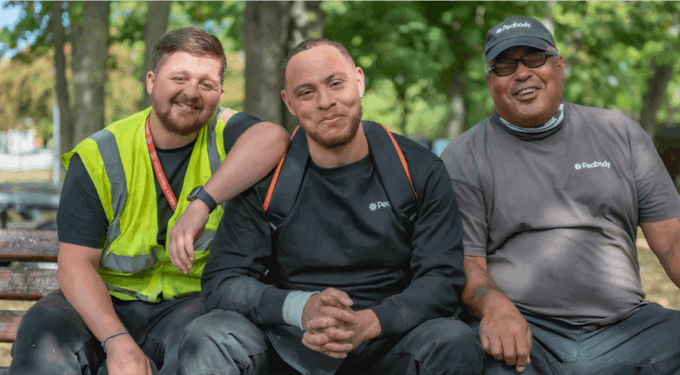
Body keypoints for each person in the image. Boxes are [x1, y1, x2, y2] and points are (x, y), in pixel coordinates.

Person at [178, 38, 485, 375]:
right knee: (208, 336)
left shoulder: (418, 170)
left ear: (359, 81)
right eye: (306, 93)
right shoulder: (267, 178)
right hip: (289, 343)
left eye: (336, 84)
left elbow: (441, 278)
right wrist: (298, 308)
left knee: (454, 340)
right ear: (289, 103)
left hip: (390, 339)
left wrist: (372, 322)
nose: (326, 102)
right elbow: (223, 281)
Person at [9, 27, 289, 375]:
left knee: (222, 340)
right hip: (107, 303)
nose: (191, 92)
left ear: (220, 93)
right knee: (43, 334)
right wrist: (118, 343)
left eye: (207, 84)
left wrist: (201, 202)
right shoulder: (101, 154)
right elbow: (76, 265)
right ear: (151, 81)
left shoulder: (225, 132)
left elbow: (273, 137)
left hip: (196, 306)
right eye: (179, 77)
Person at [441, 16, 680, 375]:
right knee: (464, 352)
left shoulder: (620, 134)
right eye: (505, 65)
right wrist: (497, 310)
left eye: (534, 58)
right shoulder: (463, 156)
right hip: (526, 332)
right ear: (491, 81)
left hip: (628, 327)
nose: (522, 73)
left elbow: (672, 241)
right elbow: (468, 264)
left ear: (559, 65)